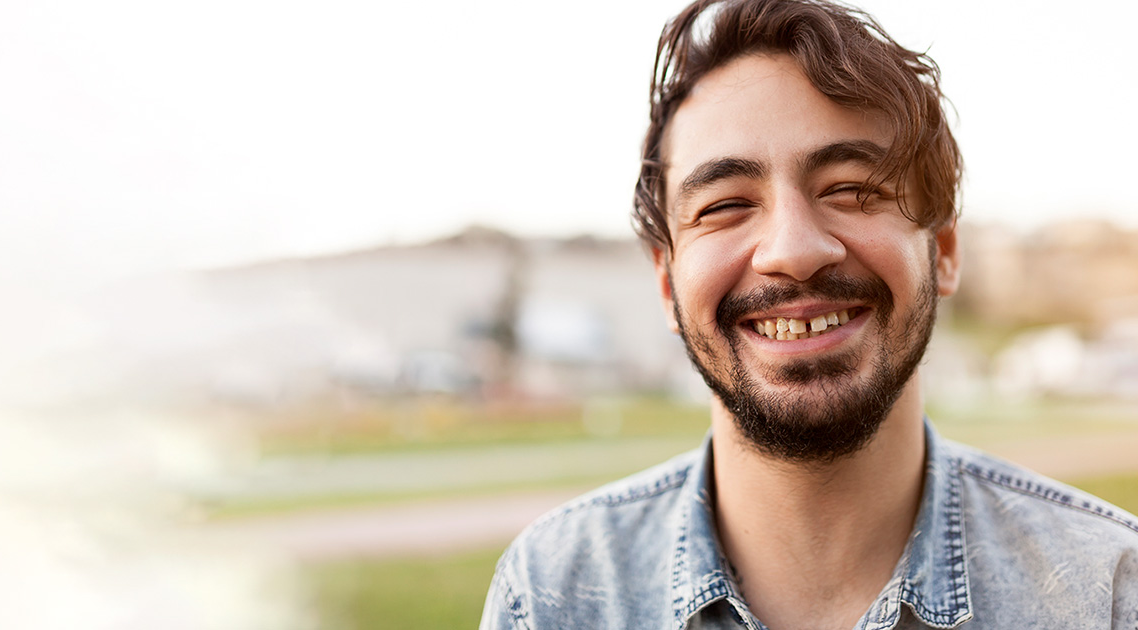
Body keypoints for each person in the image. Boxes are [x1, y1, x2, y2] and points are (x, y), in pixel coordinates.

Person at [480, 0, 1138, 628]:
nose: (793, 251)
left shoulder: (1108, 589)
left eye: (851, 190)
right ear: (666, 280)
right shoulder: (549, 596)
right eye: (725, 205)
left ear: (942, 250)